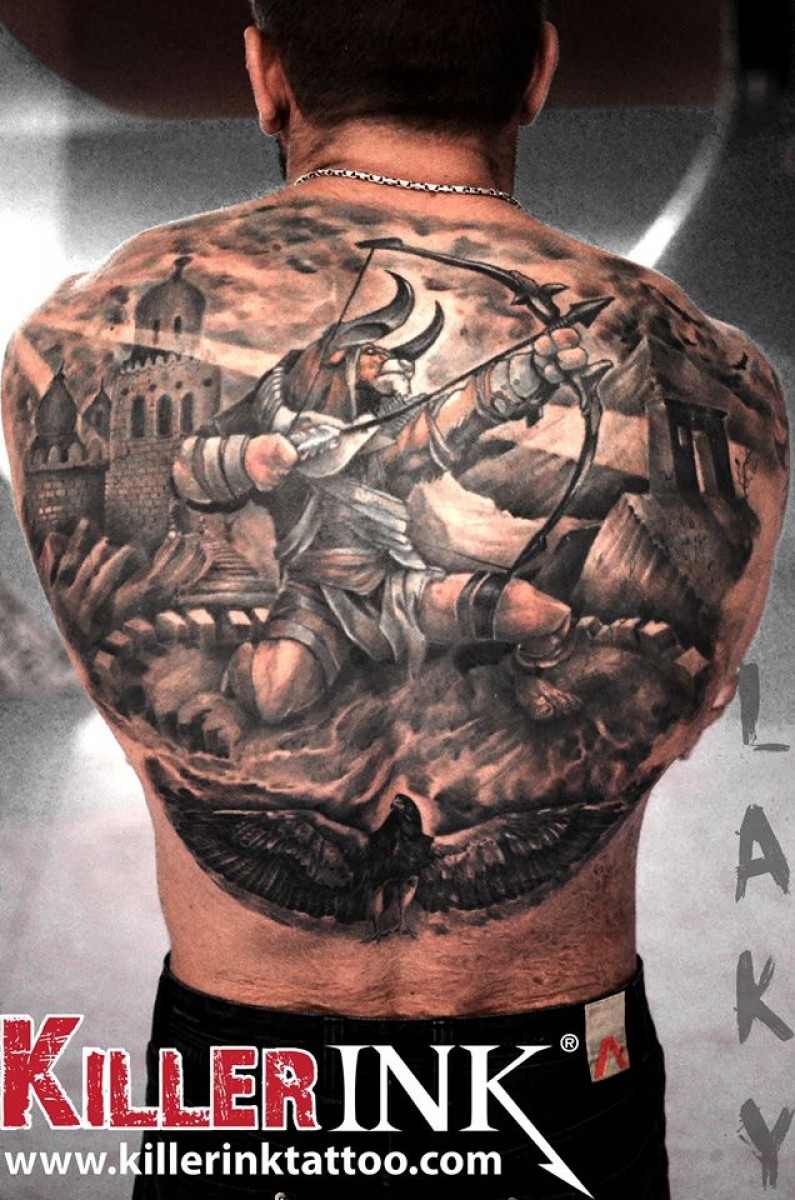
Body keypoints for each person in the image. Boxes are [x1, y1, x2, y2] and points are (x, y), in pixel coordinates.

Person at [1, 1, 789, 1196]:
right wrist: (263, 456)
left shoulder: (65, 338)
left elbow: (459, 414)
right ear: (538, 71)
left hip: (258, 1049)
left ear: (266, 75)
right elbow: (207, 468)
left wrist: (537, 369)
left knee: (525, 614)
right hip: (548, 1053)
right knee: (276, 679)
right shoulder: (723, 374)